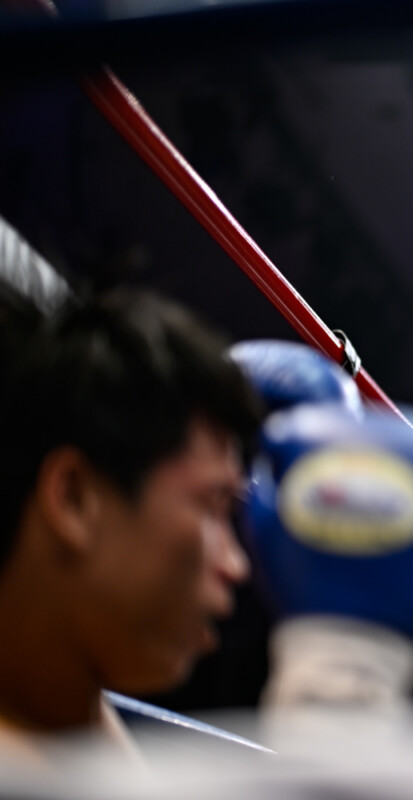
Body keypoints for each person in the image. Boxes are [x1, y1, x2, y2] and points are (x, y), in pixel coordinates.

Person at [0, 287, 262, 766]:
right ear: (75, 499)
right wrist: (345, 671)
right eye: (212, 507)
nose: (235, 565)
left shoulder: (61, 704)